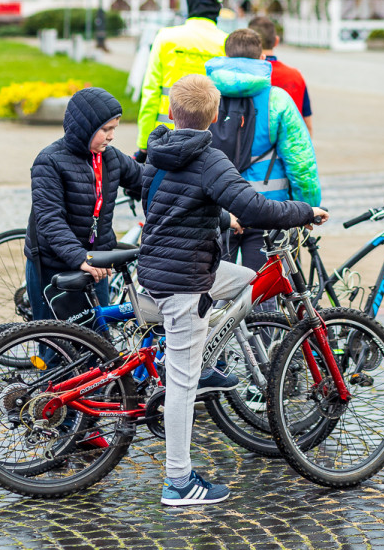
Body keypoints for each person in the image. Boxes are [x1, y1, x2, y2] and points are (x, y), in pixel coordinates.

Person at [137, 74, 327, 506]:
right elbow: (255, 206)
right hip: (184, 281)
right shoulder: (210, 159)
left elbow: (173, 204)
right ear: (216, 116)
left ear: (171, 112)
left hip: (163, 266)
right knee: (181, 387)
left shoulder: (160, 152)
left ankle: (206, 358)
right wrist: (305, 211)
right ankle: (179, 483)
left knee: (247, 281)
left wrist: (223, 221)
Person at [206, 28, 321, 274]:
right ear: (262, 59)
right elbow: (301, 164)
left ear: (225, 57)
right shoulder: (278, 99)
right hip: (269, 210)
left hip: (220, 209)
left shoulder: (207, 96)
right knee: (264, 292)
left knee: (218, 291)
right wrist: (307, 209)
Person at [24, 87, 143, 322]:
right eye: (105, 130)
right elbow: (50, 220)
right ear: (84, 128)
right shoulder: (49, 161)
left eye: (114, 129)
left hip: (95, 263)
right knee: (58, 344)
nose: (111, 136)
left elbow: (145, 178)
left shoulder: (110, 156)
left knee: (96, 341)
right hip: (55, 266)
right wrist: (80, 258)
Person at [135, 0, 228, 160]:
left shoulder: (166, 38)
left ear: (189, 4)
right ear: (218, 7)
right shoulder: (226, 43)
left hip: (165, 137)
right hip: (210, 139)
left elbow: (150, 93)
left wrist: (144, 143)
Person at [248, 15, 313, 135]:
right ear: (276, 41)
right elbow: (307, 124)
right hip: (289, 148)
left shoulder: (245, 76)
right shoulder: (295, 76)